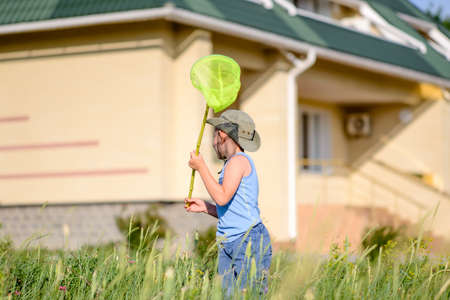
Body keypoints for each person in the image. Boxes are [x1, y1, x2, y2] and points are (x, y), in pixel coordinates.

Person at [185, 109, 272, 293]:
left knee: (249, 294)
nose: (214, 142)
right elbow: (231, 207)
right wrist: (206, 207)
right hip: (230, 242)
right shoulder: (231, 164)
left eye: (215, 135)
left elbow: (222, 196)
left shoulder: (238, 162)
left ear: (222, 134)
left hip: (247, 240)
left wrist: (201, 167)